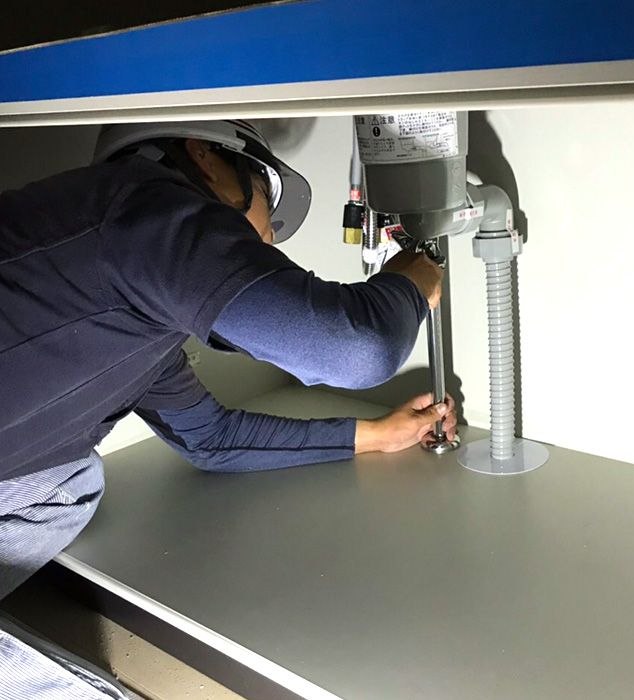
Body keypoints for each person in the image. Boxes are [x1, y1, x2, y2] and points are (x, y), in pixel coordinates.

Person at [0, 118, 455, 605]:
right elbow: (359, 347)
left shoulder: (136, 309)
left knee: (74, 484)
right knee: (76, 485)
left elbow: (210, 440)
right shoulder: (143, 207)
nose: (269, 239)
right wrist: (409, 283)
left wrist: (380, 436)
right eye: (264, 194)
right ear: (204, 155)